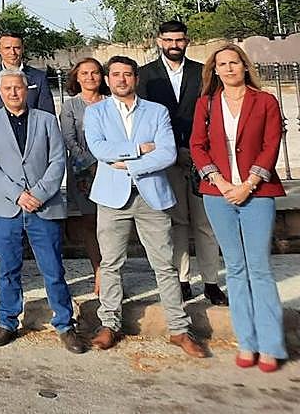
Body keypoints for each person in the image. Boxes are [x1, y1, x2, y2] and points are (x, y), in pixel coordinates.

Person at [84, 56, 207, 357]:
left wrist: (127, 164)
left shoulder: (156, 111)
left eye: (127, 74)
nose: (121, 79)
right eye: (115, 74)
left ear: (136, 79)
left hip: (152, 196)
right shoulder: (96, 112)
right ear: (107, 79)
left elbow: (166, 153)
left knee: (164, 265)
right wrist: (139, 149)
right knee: (111, 263)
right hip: (112, 198)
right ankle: (109, 324)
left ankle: (179, 328)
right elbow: (99, 149)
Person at [191, 44, 287, 371]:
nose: (229, 68)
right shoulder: (206, 104)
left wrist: (248, 184)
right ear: (214, 71)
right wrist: (220, 183)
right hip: (217, 195)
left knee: (258, 267)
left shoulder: (265, 101)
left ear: (245, 66)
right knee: (234, 267)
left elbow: (271, 145)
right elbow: (197, 146)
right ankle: (247, 342)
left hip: (257, 193)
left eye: (235, 62)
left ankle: (270, 344)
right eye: (222, 64)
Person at [0, 72, 88, 353]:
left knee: (53, 268)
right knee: (8, 268)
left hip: (44, 206)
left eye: (18, 87)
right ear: (0, 91)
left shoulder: (47, 120)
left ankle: (64, 323)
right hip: (7, 207)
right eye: (7, 88)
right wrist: (17, 194)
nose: (13, 92)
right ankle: (7, 321)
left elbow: (57, 160)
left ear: (26, 89)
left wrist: (39, 194)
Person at [138, 20, 226, 306]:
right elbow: (145, 118)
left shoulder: (202, 73)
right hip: (166, 158)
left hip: (202, 157)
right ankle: (183, 280)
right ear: (159, 41)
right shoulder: (146, 75)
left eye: (179, 40)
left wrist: (196, 149)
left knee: (205, 223)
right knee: (177, 222)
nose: (174, 45)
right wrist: (172, 150)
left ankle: (211, 282)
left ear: (187, 41)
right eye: (168, 40)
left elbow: (213, 112)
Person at [59, 58, 107, 294]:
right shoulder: (70, 106)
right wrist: (91, 164)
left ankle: (112, 271)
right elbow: (69, 140)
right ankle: (98, 270)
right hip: (83, 172)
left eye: (94, 72)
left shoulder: (111, 102)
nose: (90, 77)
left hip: (111, 169)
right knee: (90, 222)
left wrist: (106, 163)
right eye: (84, 73)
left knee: (111, 223)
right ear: (76, 78)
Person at [0, 30, 55, 118]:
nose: (12, 52)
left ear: (23, 48)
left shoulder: (39, 77)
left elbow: (48, 115)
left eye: (17, 48)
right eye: (7, 48)